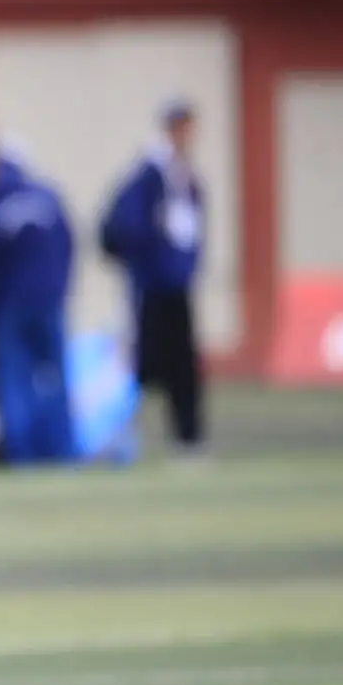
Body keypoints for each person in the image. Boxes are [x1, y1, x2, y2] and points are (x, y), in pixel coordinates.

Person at [102, 100, 207, 455]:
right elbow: (119, 230)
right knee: (141, 367)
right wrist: (151, 256)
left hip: (177, 285)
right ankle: (120, 437)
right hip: (150, 287)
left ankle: (187, 438)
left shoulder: (185, 176)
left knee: (183, 368)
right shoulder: (148, 176)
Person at [0, 132, 77, 465]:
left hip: (10, 308)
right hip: (50, 304)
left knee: (14, 380)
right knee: (56, 378)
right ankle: (62, 449)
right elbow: (69, 246)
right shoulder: (49, 199)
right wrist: (60, 289)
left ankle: (23, 452)